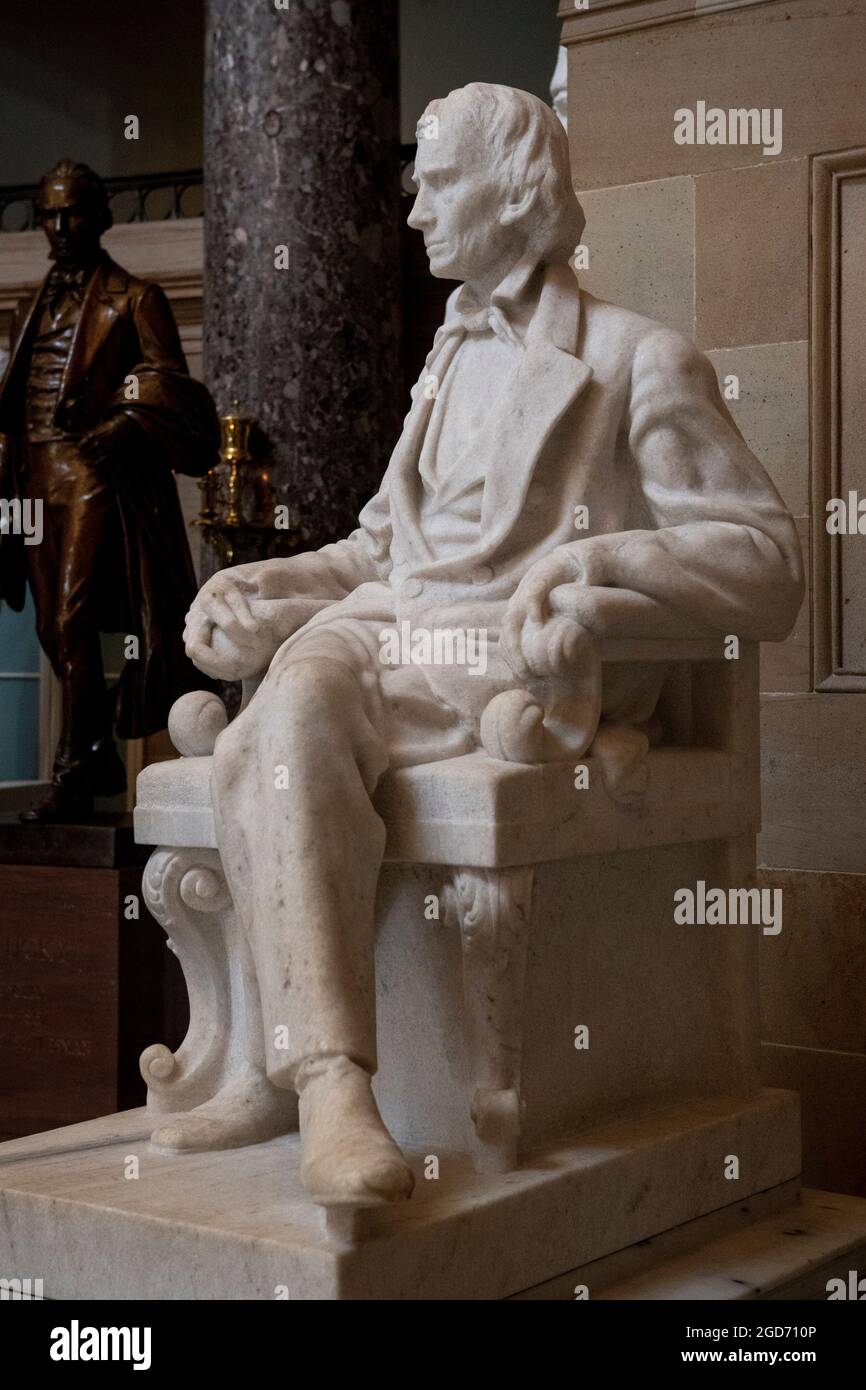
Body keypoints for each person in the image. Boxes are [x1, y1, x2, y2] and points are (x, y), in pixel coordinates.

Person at [178, 84, 803, 1207]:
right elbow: (383, 548)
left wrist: (596, 565)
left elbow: (763, 564)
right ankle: (320, 1077)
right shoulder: (446, 360)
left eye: (435, 181)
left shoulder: (633, 360)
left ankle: (318, 1081)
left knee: (292, 715)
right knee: (294, 694)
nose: (412, 208)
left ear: (513, 191)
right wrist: (270, 586)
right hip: (388, 636)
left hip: (505, 663)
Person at [0, 159, 218, 820]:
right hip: (33, 477)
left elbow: (170, 387)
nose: (60, 226)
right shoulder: (35, 299)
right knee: (47, 625)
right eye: (50, 213)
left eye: (73, 212)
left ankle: (73, 774)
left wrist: (121, 426)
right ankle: (93, 761)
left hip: (93, 473)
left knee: (73, 617)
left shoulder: (134, 296)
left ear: (100, 217)